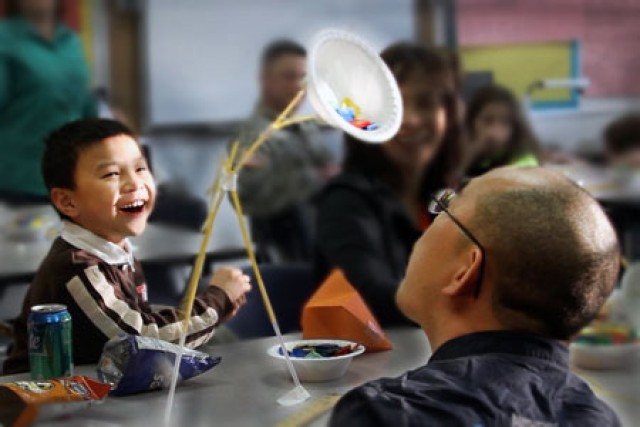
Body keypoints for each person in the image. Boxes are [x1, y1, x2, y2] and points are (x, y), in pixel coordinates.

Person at [330, 167, 621, 426]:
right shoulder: (600, 417)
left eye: (447, 208)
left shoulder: (384, 413)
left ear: (465, 271)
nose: (427, 225)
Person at [3, 118, 252, 375]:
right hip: (42, 404)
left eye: (141, 168)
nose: (134, 183)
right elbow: (143, 341)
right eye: (112, 173)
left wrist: (208, 308)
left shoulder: (116, 248)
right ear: (67, 201)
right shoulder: (78, 268)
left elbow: (134, 317)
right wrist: (218, 299)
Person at [315, 43, 462, 326]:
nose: (411, 120)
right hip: (375, 363)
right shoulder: (344, 201)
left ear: (449, 114)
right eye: (395, 106)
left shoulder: (449, 199)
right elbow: (372, 298)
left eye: (425, 102)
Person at [231, 39, 337, 263]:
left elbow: (327, 164)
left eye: (303, 78)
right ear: (266, 80)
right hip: (290, 252)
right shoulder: (254, 134)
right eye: (289, 77)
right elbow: (247, 194)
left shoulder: (303, 127)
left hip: (324, 242)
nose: (298, 85)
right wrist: (315, 178)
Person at [0, 0, 98, 203]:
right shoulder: (4, 40)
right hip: (21, 181)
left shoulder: (71, 41)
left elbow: (87, 103)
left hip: (72, 176)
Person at [464, 84, 541, 178]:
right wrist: (470, 155)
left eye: (505, 123)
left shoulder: (523, 159)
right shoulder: (461, 154)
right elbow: (449, 188)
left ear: (515, 127)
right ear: (472, 121)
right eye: (487, 121)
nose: (495, 131)